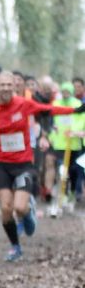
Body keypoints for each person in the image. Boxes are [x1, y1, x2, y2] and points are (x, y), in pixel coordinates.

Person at [0, 72, 85, 261]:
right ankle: (15, 246)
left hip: (23, 164)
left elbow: (48, 109)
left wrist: (76, 111)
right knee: (6, 208)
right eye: (2, 85)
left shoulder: (24, 104)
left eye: (8, 85)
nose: (5, 88)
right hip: (0, 165)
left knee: (19, 208)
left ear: (14, 86)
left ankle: (28, 214)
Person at [43, 82, 85, 216]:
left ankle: (71, 192)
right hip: (59, 143)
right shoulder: (56, 103)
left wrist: (76, 131)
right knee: (62, 170)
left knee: (73, 171)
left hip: (74, 144)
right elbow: (51, 120)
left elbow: (81, 119)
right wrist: (51, 131)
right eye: (64, 91)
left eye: (68, 91)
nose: (66, 93)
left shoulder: (77, 104)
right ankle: (61, 196)